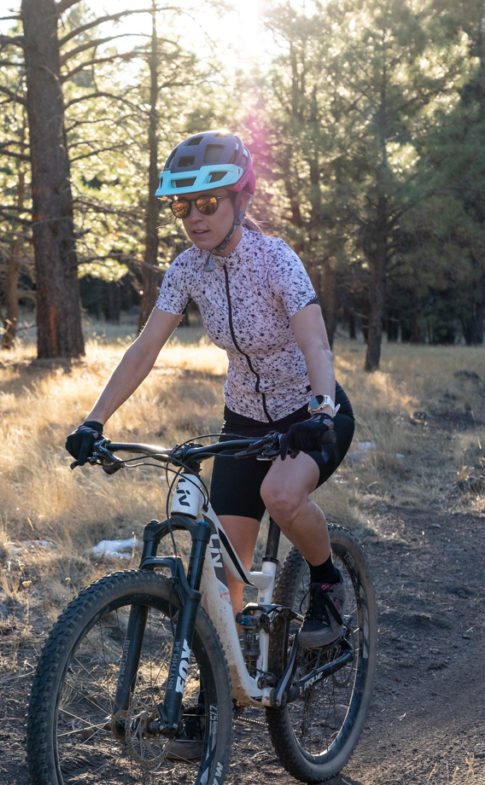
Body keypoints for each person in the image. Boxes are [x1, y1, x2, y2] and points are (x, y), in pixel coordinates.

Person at [66, 129, 355, 649]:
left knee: (281, 494)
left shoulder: (276, 260)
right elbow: (144, 348)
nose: (194, 217)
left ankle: (328, 581)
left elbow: (317, 345)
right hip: (244, 420)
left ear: (240, 199)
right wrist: (94, 420)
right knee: (227, 580)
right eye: (183, 206)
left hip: (311, 412)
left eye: (207, 202)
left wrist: (322, 409)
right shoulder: (187, 268)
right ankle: (219, 695)